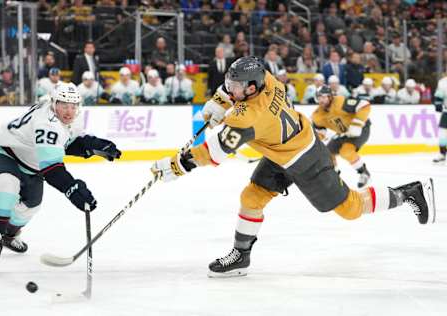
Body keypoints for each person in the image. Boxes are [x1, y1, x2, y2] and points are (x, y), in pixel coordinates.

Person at [151, 56, 436, 278]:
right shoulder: (269, 80)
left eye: (237, 87)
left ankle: (408, 193)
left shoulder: (248, 117)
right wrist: (220, 99)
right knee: (252, 197)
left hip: (307, 158)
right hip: (281, 152)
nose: (232, 89)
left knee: (350, 209)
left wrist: (176, 166)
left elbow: (213, 153)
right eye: (231, 84)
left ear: (252, 88)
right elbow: (232, 90)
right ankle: (241, 255)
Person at [0, 82, 121, 272]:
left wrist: (92, 146)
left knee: (32, 205)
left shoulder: (71, 118)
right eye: (64, 105)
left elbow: (67, 141)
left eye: (73, 106)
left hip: (31, 164)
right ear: (53, 104)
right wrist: (72, 189)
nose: (69, 111)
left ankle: (8, 235)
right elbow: (52, 169)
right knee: (7, 184)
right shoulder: (46, 122)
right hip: (4, 153)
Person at [312, 85, 372, 188]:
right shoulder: (317, 115)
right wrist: (318, 139)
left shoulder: (340, 102)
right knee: (327, 153)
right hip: (343, 133)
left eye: (323, 97)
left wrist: (357, 124)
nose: (321, 100)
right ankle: (334, 176)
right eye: (319, 97)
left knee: (346, 151)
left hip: (361, 129)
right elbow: (320, 132)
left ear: (330, 97)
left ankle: (364, 173)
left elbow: (365, 105)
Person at [432, 75, 447, 164]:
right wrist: (438, 103)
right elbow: (439, 96)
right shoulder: (443, 82)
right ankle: (442, 153)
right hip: (446, 112)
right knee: (442, 133)